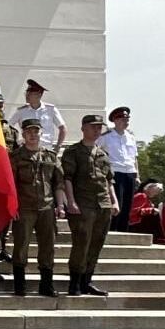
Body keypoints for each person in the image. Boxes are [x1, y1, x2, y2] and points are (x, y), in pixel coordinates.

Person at [61, 114, 117, 294]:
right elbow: (67, 178)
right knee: (81, 244)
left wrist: (114, 201)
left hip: (103, 204)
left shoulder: (102, 154)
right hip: (83, 204)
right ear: (83, 128)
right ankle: (75, 283)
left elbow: (109, 181)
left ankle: (87, 281)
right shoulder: (73, 152)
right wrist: (70, 201)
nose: (97, 130)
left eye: (99, 127)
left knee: (96, 244)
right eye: (93, 127)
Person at [9, 118, 65, 297]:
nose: (33, 135)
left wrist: (61, 205)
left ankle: (46, 284)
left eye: (36, 132)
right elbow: (11, 185)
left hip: (47, 207)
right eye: (29, 132)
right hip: (24, 208)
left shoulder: (50, 156)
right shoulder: (16, 157)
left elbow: (58, 183)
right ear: (23, 134)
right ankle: (20, 285)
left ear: (41, 134)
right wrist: (13, 206)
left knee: (48, 247)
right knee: (21, 246)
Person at [100, 106, 139, 233]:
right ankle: (112, 230)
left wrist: (137, 175)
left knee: (128, 205)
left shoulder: (131, 137)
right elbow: (96, 152)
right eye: (123, 119)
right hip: (115, 172)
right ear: (115, 120)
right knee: (117, 203)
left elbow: (135, 158)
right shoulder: (106, 136)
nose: (126, 121)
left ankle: (123, 231)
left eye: (127, 119)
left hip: (130, 172)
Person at [10, 79, 66, 150]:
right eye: (26, 93)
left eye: (29, 94)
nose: (27, 96)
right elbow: (9, 126)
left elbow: (63, 128)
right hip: (27, 149)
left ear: (39, 95)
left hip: (46, 148)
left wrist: (58, 146)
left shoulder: (50, 109)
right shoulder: (21, 111)